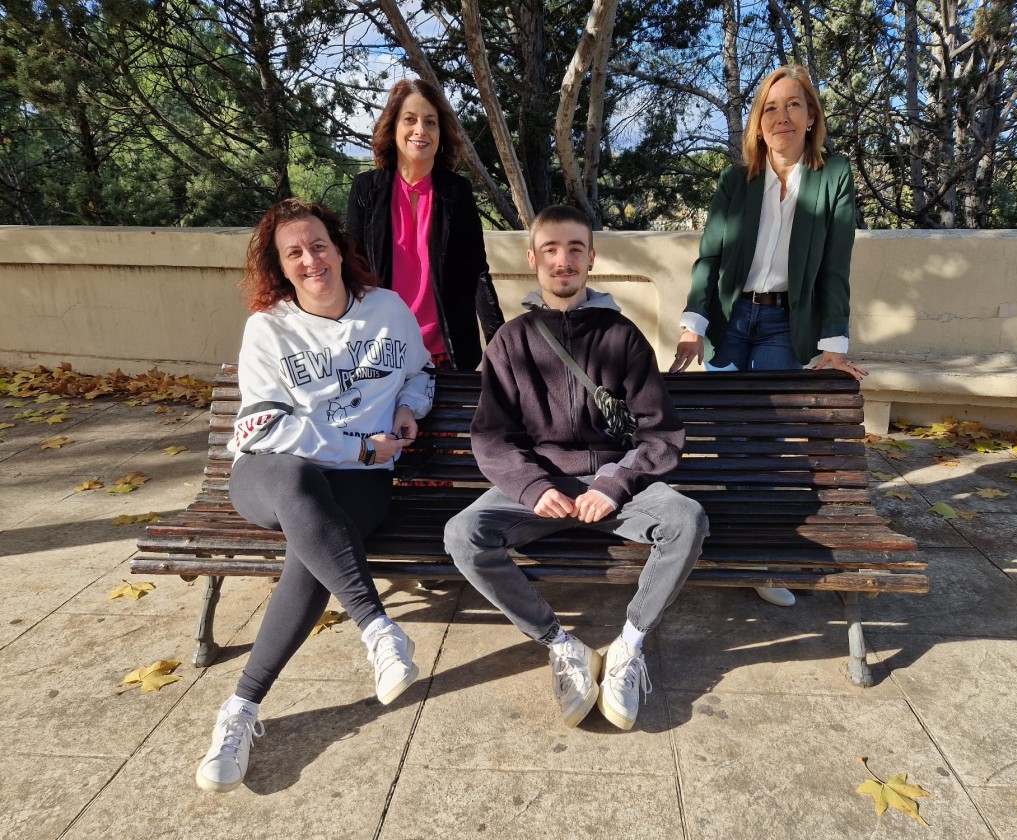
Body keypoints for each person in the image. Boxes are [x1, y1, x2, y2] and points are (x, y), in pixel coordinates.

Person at [195, 198, 435, 793]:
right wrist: (354, 448)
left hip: (360, 485)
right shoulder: (269, 328)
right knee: (301, 486)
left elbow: (421, 372)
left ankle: (240, 709)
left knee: (314, 543)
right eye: (294, 252)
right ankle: (378, 627)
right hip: (270, 477)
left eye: (318, 245)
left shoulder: (387, 310)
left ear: (339, 246)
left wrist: (409, 408)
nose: (311, 260)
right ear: (279, 265)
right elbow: (263, 428)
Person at [444, 205, 709, 732]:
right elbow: (492, 436)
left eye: (573, 249)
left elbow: (660, 433)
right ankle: (561, 646)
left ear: (591, 258)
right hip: (543, 492)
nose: (562, 261)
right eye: (550, 250)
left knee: (687, 519)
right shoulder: (510, 341)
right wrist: (532, 486)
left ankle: (628, 648)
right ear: (533, 260)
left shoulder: (622, 336)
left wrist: (614, 486)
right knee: (462, 534)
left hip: (617, 487)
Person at [669, 63, 868, 609]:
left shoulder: (834, 176)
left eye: (794, 106)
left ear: (811, 117)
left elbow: (835, 266)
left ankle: (765, 554)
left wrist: (833, 345)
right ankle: (734, 547)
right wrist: (693, 328)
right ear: (758, 123)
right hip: (733, 322)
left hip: (784, 322)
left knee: (771, 440)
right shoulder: (738, 181)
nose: (782, 117)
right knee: (730, 438)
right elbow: (709, 257)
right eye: (771, 108)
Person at [347, 77, 504, 373]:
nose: (421, 130)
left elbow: (477, 273)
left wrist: (501, 346)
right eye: (410, 119)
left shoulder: (457, 192)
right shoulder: (366, 189)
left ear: (441, 133)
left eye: (431, 122)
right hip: (379, 353)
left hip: (445, 354)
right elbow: (352, 273)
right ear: (393, 128)